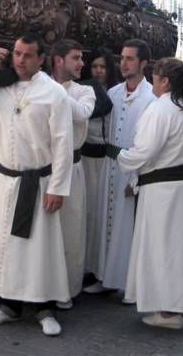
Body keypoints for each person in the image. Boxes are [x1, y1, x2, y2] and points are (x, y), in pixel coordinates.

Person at [0, 34, 73, 336]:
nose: (20, 60)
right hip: (3, 181)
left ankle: (44, 309)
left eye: (28, 55)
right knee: (4, 246)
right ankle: (8, 307)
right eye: (17, 53)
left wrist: (57, 187)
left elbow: (63, 143)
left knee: (39, 250)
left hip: (37, 184)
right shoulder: (1, 87)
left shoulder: (54, 94)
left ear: (42, 59)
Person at [118, 58, 183, 330]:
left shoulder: (162, 109)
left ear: (165, 81)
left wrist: (123, 157)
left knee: (165, 249)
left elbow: (145, 151)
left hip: (165, 194)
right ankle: (182, 305)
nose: (153, 82)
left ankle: (168, 313)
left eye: (155, 77)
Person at [84, 39, 155, 300]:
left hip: (133, 169)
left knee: (129, 226)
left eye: (130, 58)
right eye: (122, 58)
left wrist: (136, 177)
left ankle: (130, 284)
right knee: (106, 222)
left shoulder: (150, 98)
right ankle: (106, 277)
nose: (123, 63)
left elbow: (150, 143)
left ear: (143, 63)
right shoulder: (112, 93)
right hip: (109, 165)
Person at [50, 40, 96, 309]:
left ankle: (66, 289)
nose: (82, 63)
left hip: (72, 169)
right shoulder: (38, 86)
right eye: (76, 58)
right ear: (58, 60)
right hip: (44, 170)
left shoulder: (84, 91)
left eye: (82, 58)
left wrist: (49, 88)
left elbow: (82, 113)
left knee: (70, 230)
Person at [80, 47, 117, 281]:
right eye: (95, 66)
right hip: (85, 157)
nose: (99, 71)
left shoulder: (116, 93)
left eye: (103, 67)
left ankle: (99, 266)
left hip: (104, 159)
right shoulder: (84, 92)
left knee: (101, 214)